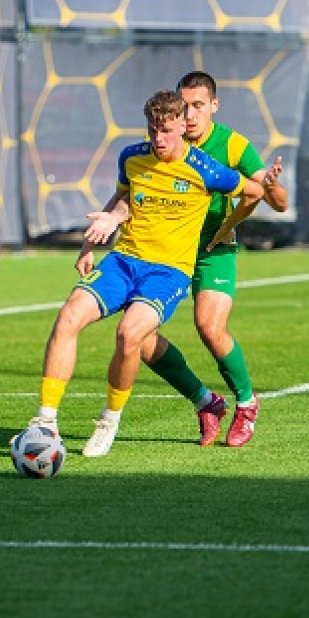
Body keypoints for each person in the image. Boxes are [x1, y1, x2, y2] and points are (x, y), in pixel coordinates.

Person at [20, 89, 265, 458]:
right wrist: (93, 240)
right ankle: (45, 420)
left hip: (168, 273)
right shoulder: (132, 157)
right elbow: (123, 199)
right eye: (153, 130)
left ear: (183, 126)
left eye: (166, 130)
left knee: (130, 334)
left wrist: (229, 224)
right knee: (69, 315)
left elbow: (254, 190)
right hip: (123, 260)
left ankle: (109, 421)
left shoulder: (207, 168)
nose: (158, 139)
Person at [85, 71, 288, 453]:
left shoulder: (232, 145)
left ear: (214, 105)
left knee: (209, 327)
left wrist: (265, 190)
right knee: (139, 340)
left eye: (198, 105)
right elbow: (127, 195)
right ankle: (204, 400)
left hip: (211, 249)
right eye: (185, 105)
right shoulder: (158, 143)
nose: (191, 114)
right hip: (161, 251)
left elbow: (274, 199)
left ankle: (246, 403)